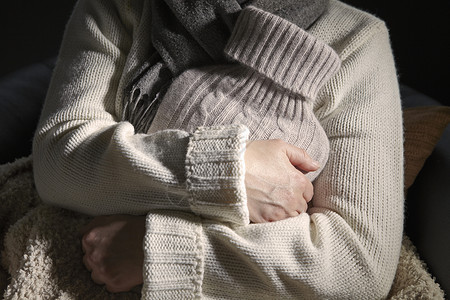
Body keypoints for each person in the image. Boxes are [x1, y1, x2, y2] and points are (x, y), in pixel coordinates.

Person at [33, 0, 404, 298]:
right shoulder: (121, 7)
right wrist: (229, 170)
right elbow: (58, 161)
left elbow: (357, 264)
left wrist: (154, 250)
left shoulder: (355, 40)